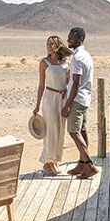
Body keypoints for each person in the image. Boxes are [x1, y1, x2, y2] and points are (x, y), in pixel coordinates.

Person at [33, 36, 72, 176]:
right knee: (51, 130)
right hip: (50, 98)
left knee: (60, 130)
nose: (49, 46)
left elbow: (68, 81)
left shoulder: (65, 62)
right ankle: (47, 163)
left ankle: (54, 162)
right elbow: (41, 85)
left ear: (58, 45)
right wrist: (37, 106)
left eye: (52, 44)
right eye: (47, 44)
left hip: (63, 97)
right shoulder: (44, 63)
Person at [61, 27, 97, 179]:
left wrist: (67, 105)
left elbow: (75, 83)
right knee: (82, 131)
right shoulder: (86, 55)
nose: (68, 40)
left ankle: (89, 165)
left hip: (76, 99)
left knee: (74, 132)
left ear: (80, 39)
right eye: (68, 37)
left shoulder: (77, 58)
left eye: (71, 38)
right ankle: (81, 164)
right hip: (85, 99)